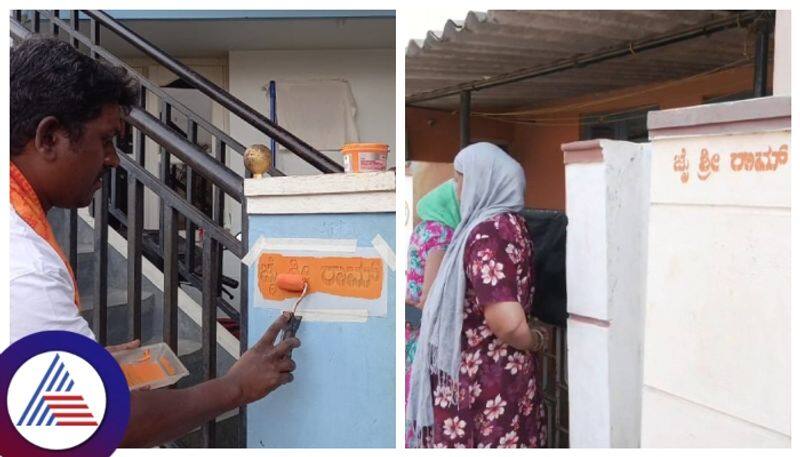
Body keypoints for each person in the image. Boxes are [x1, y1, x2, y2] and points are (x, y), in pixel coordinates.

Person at [9, 37, 299, 447]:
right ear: (50, 137)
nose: (113, 159)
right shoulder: (25, 267)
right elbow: (100, 419)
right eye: (106, 140)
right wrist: (236, 386)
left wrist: (77, 360)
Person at [407, 142, 548, 448]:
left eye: (460, 181)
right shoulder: (512, 226)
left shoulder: (489, 233)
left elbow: (507, 322)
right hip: (495, 379)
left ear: (484, 182)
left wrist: (535, 340)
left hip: (483, 388)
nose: (457, 191)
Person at [404, 179, 460, 446]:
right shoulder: (442, 235)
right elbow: (431, 298)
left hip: (411, 326)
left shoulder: (423, 229)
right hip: (425, 334)